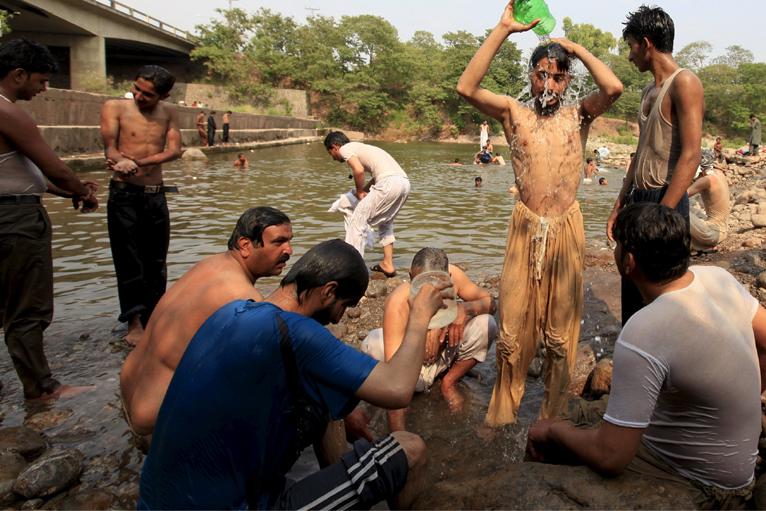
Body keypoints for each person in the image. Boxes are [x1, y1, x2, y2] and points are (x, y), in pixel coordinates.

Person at [138, 240, 448, 510]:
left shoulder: (233, 311)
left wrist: (345, 408)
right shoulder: (299, 333)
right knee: (409, 448)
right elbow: (398, 388)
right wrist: (419, 317)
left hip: (158, 499)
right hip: (236, 505)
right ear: (328, 292)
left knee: (323, 400)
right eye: (345, 306)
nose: (340, 317)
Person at [526, 203, 766, 510]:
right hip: (737, 470)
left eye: (618, 246)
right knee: (578, 416)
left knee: (547, 435)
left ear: (629, 261)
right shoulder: (718, 278)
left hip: (703, 486)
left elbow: (611, 458)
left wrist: (553, 431)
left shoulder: (645, 329)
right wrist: (726, 407)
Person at [456, 0, 623, 426]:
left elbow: (614, 88)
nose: (548, 84)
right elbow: (466, 87)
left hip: (566, 228)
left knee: (560, 333)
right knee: (511, 329)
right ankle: (502, 416)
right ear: (530, 77)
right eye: (541, 75)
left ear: (569, 82)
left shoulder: (579, 116)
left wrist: (577, 50)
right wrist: (503, 30)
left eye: (558, 77)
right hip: (525, 228)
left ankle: (550, 420)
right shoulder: (513, 115)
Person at [0, 38, 99, 401]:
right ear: (18, 74)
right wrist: (80, 191)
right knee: (26, 309)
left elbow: (9, 172)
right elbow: (56, 167)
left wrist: (63, 189)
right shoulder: (4, 110)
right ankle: (41, 388)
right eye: (40, 80)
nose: (43, 89)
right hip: (13, 222)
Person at [120, 207, 293, 435]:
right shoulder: (241, 294)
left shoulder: (209, 265)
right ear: (245, 245)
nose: (289, 250)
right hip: (156, 423)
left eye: (289, 241)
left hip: (130, 396)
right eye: (278, 242)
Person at [606, 4, 703, 326]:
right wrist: (621, 202)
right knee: (632, 282)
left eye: (631, 46)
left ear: (646, 43)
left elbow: (691, 154)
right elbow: (640, 150)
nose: (630, 56)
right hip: (639, 197)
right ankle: (636, 351)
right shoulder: (649, 90)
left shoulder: (684, 83)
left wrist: (664, 213)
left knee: (666, 292)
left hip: (666, 198)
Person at [362, 247, 497, 429]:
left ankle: (448, 381)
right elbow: (393, 375)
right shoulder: (397, 302)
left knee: (487, 324)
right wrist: (399, 437)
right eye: (422, 286)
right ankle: (409, 393)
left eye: (438, 284)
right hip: (411, 369)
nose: (431, 292)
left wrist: (464, 309)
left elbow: (491, 302)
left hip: (443, 358)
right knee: (372, 343)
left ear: (448, 276)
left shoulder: (455, 276)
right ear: (410, 278)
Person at [101, 66, 182, 346]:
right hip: (125, 194)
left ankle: (155, 316)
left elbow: (174, 150)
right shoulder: (115, 107)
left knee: (157, 260)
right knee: (128, 259)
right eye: (137, 89)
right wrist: (118, 160)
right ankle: (134, 322)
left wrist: (138, 163)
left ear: (164, 95)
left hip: (155, 193)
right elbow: (109, 147)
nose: (138, 96)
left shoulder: (169, 111)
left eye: (147, 94)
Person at [324, 131, 410, 277]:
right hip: (404, 184)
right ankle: (387, 264)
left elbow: (358, 170)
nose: (333, 158)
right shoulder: (362, 148)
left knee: (356, 221)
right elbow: (377, 177)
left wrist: (358, 192)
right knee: (385, 223)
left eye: (331, 153)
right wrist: (362, 191)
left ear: (335, 147)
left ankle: (352, 268)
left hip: (388, 182)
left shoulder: (345, 148)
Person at [687, 149, 730, 253]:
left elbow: (680, 196)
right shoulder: (719, 174)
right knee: (690, 209)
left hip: (712, 233)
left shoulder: (706, 181)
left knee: (677, 209)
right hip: (721, 230)